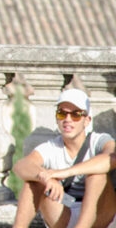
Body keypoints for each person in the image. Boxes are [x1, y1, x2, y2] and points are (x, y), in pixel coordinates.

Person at [12, 88, 116, 228]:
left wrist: (65, 172)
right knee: (33, 182)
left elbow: (112, 158)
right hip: (64, 212)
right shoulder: (52, 146)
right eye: (62, 114)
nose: (67, 120)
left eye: (75, 115)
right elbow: (21, 166)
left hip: (100, 214)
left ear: (87, 120)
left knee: (97, 175)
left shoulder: (99, 141)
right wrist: (46, 178)